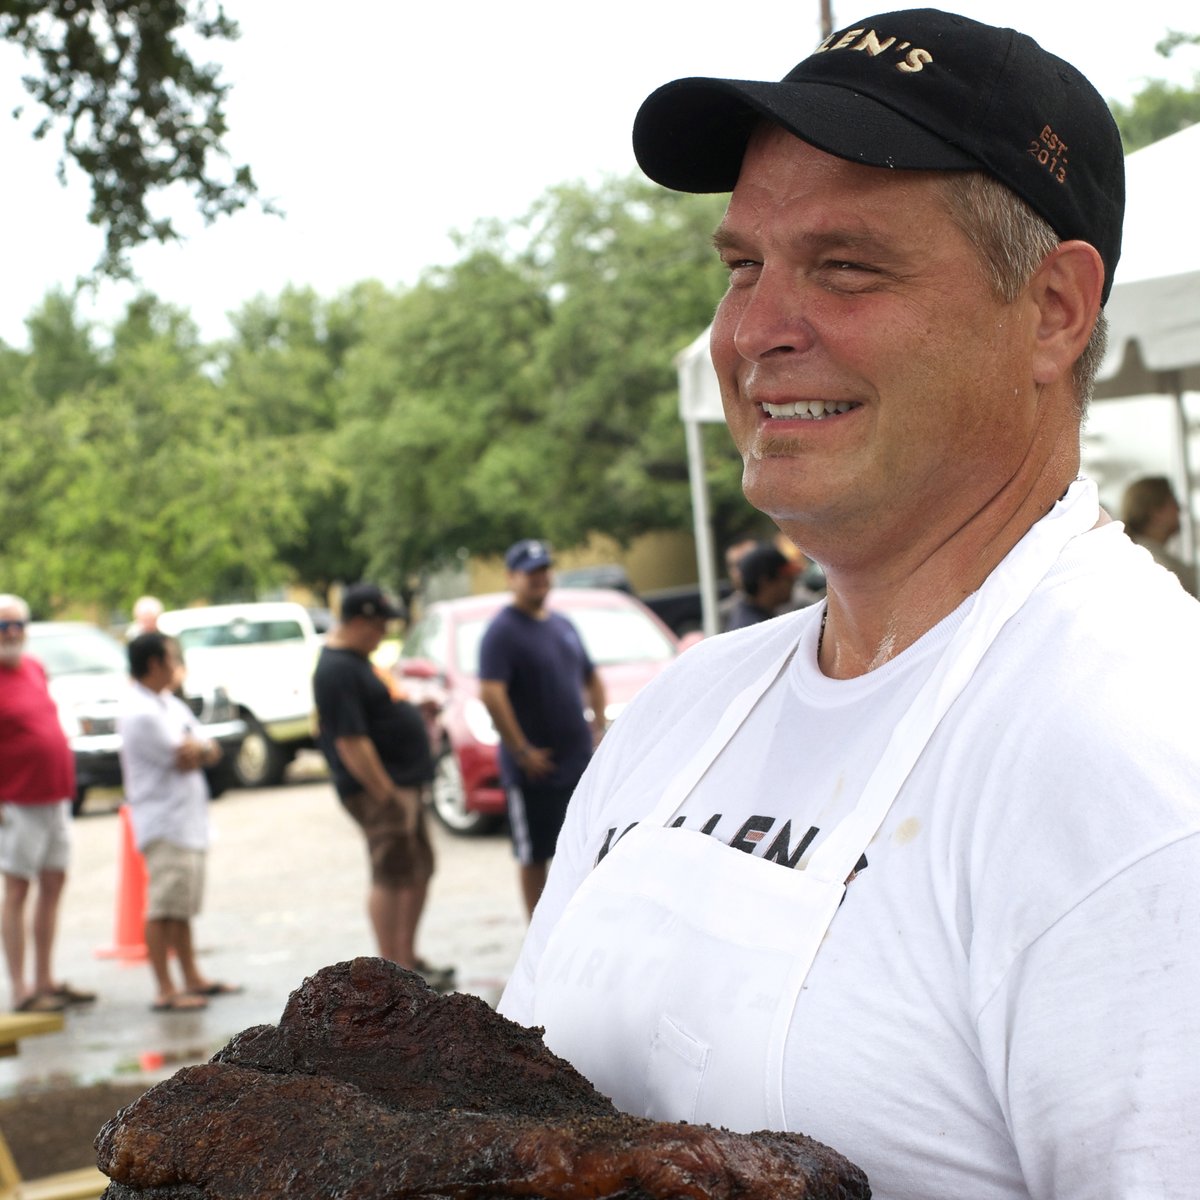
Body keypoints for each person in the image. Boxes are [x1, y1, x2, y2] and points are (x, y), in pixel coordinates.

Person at [499, 11, 1200, 1199]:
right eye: (741, 267)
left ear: (1053, 312)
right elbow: (511, 1124)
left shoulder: (1140, 760)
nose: (755, 331)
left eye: (845, 266)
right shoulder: (686, 711)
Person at [312, 583, 451, 989]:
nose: (382, 634)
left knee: (417, 868)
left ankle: (406, 959)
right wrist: (384, 792)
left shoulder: (357, 661)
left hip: (400, 782)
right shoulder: (336, 669)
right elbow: (351, 741)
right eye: (378, 626)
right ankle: (391, 969)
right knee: (391, 873)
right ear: (357, 622)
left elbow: (377, 711)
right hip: (381, 790)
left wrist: (409, 709)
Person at [479, 540, 606, 917]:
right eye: (531, 573)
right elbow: (491, 693)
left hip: (576, 762)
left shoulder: (561, 625)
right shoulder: (502, 631)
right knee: (534, 854)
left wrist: (597, 729)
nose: (540, 579)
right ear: (511, 578)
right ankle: (537, 932)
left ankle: (576, 923)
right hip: (535, 769)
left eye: (544, 571)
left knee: (582, 847)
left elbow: (591, 677)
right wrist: (521, 750)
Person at [118, 632, 240, 1012]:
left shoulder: (168, 703)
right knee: (163, 907)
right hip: (165, 820)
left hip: (186, 819)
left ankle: (191, 976)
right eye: (172, 657)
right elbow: (184, 755)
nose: (177, 664)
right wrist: (200, 749)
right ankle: (166, 988)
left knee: (182, 906)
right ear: (155, 663)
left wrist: (200, 748)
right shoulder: (140, 712)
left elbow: (208, 748)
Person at [0, 594, 96, 1014]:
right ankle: (20, 988)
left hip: (54, 793)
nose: (13, 633)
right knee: (18, 887)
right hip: (16, 799)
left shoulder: (34, 667)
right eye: (4, 627)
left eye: (19, 624)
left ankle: (45, 979)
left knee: (53, 882)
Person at [1120, 475, 1198, 596]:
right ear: (1156, 513)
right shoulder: (1151, 562)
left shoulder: (1144, 554)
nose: (1180, 508)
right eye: (1173, 502)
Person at [722, 542, 798, 629]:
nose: (793, 581)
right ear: (765, 582)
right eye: (787, 577)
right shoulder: (756, 628)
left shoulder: (750, 617)